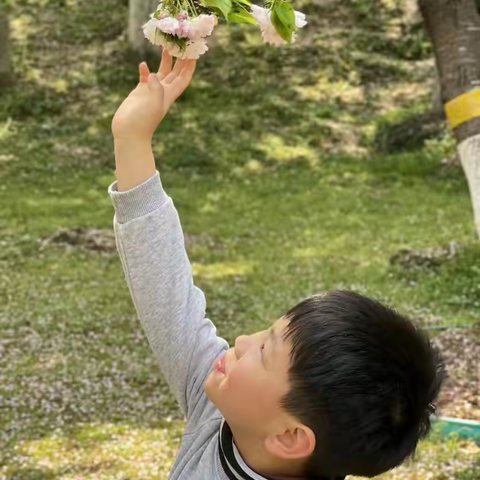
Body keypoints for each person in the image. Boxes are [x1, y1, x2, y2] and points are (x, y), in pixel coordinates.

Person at [108, 48, 445, 480]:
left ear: (289, 438)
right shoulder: (225, 406)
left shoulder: (225, 403)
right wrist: (133, 140)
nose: (243, 340)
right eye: (266, 333)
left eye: (264, 352)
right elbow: (165, 295)